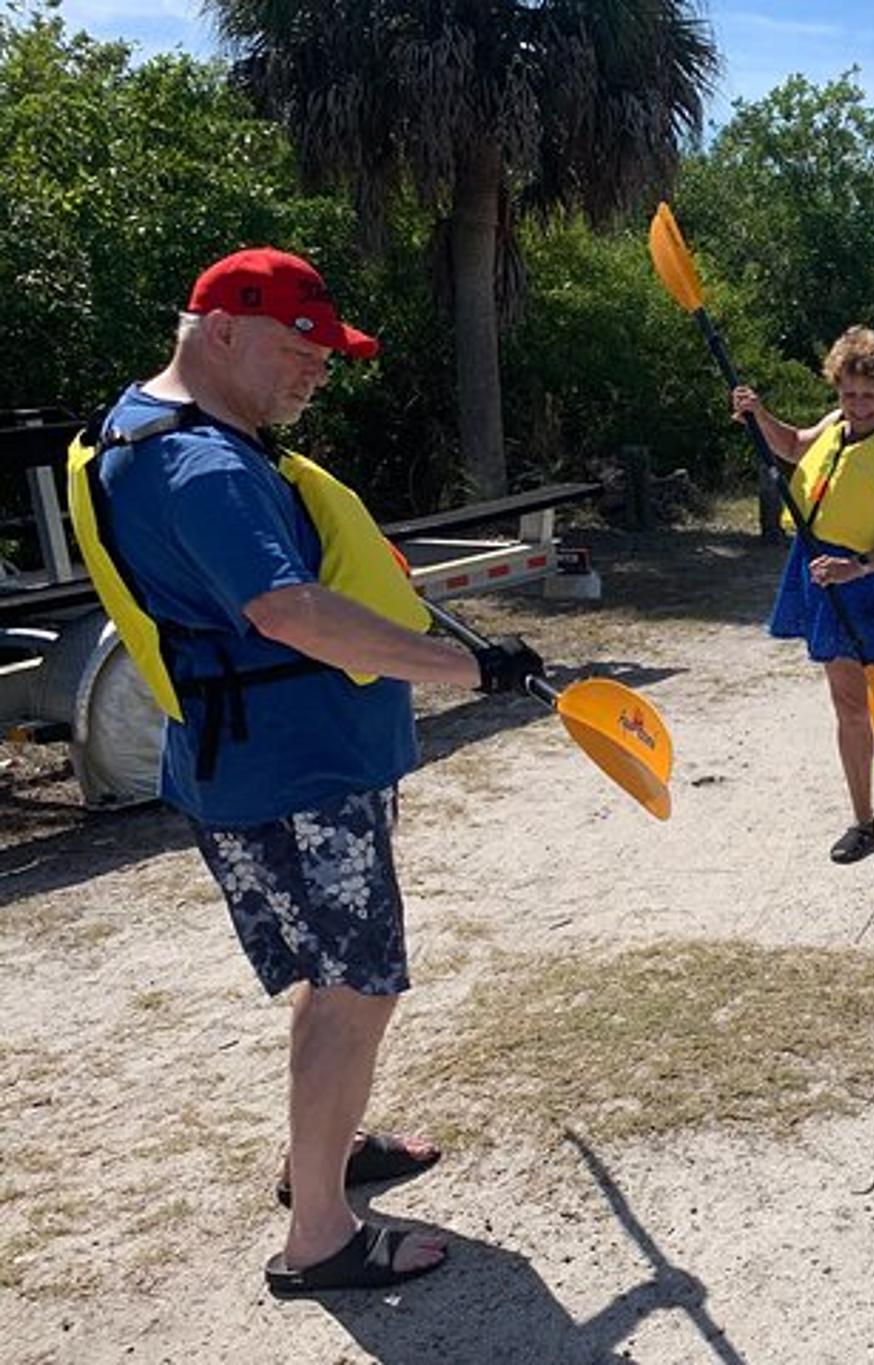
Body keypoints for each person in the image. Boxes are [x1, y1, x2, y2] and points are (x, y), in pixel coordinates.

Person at [65, 247, 545, 1293]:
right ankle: (320, 1237)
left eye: (328, 358)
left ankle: (319, 1155)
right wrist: (468, 667)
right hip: (297, 775)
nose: (317, 373)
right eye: (301, 347)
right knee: (353, 991)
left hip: (257, 762)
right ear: (223, 328)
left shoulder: (146, 428)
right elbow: (289, 612)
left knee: (331, 982)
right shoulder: (204, 466)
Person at [730, 325, 874, 869]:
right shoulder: (837, 424)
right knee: (848, 708)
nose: (857, 405)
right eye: (848, 394)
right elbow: (795, 446)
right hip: (824, 572)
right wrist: (758, 414)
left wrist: (858, 567)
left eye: (868, 396)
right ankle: (862, 821)